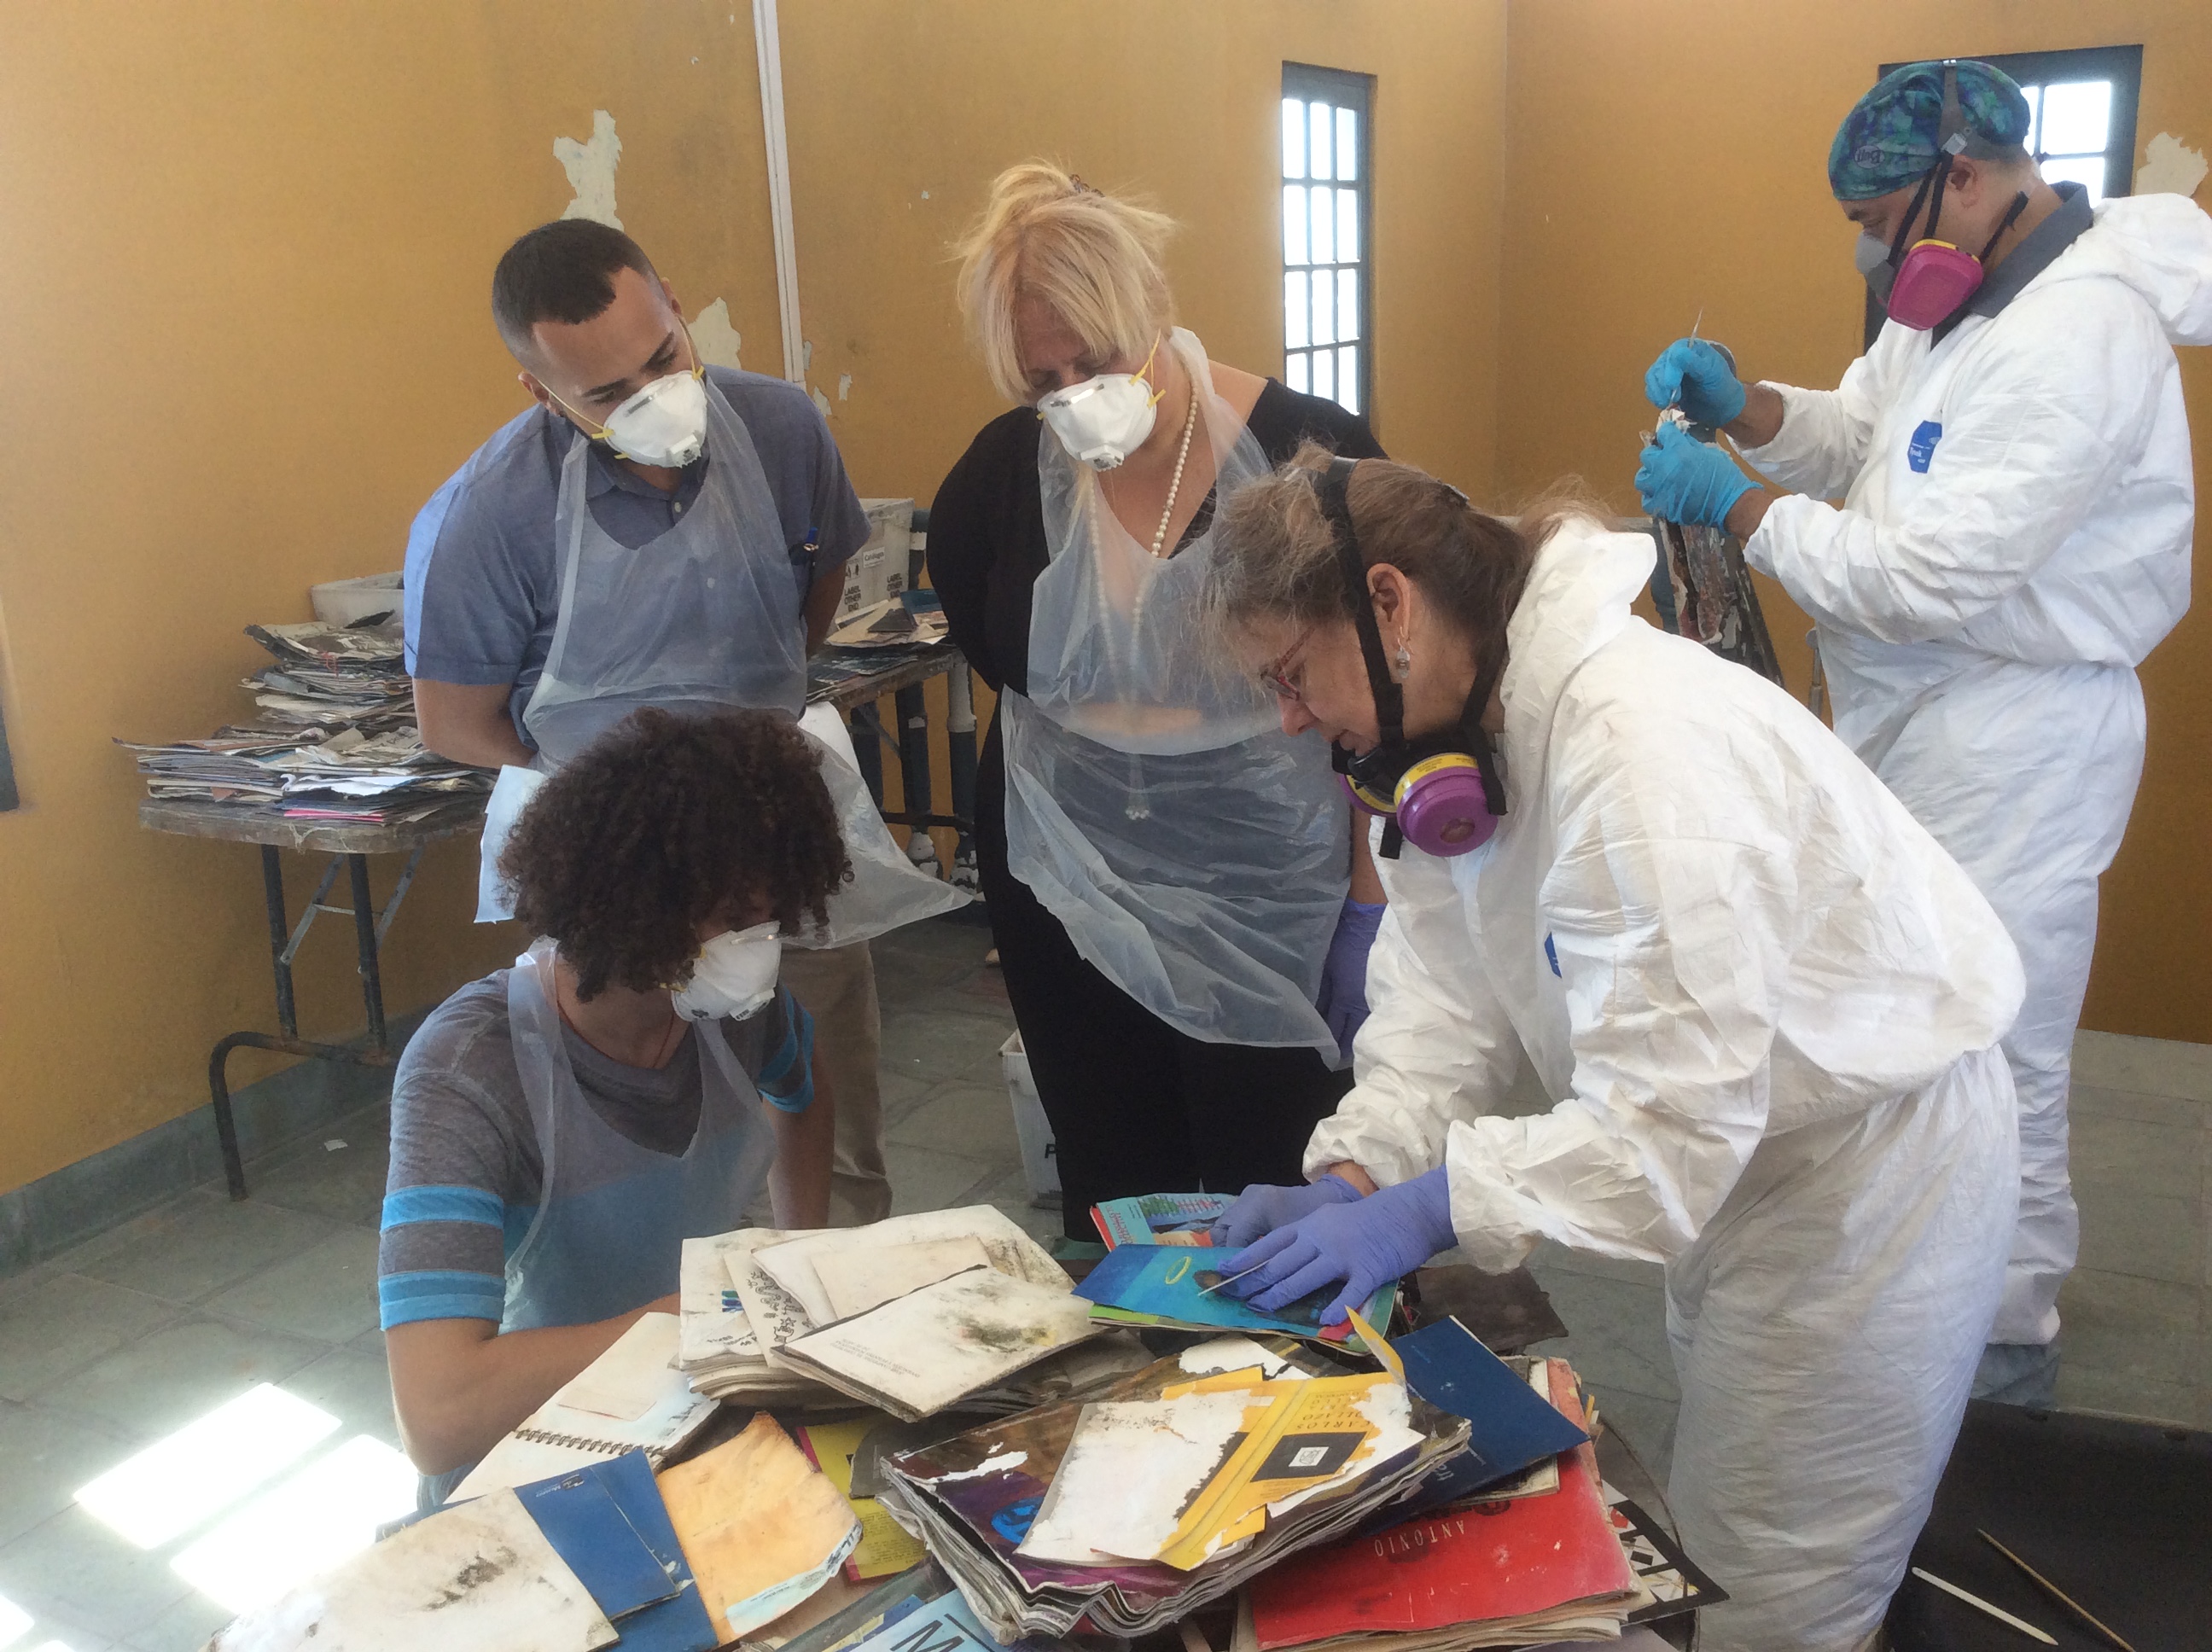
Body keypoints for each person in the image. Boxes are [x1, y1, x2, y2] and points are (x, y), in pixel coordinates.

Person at [1201, 451, 2025, 1652]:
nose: (1288, 717)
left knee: (1773, 1593)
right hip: (1754, 1168)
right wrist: (1362, 1168)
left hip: (1865, 1184)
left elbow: (1664, 1141)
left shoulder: (1639, 751)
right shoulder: (1461, 743)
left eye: (1290, 675)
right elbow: (1446, 998)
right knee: (1732, 1506)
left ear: (1390, 606)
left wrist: (1437, 1205)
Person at [1633, 57, 2209, 1403]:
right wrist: (1753, 414)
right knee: (1913, 1004)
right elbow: (1862, 441)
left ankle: (2001, 1317)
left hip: (2023, 733)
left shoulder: (2083, 335)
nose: (1880, 256)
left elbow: (1933, 576)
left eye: (1889, 222)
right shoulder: (1957, 301)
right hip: (1925, 715)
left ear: (1968, 175)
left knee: (1998, 1028)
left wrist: (1735, 507)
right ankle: (1922, 1277)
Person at [405, 218, 957, 1227]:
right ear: (540, 391)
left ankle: (849, 1313)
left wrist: (739, 760)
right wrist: (622, 796)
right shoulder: (489, 514)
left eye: (664, 356)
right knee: (663, 1140)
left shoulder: (784, 430)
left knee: (826, 1114)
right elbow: (451, 718)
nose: (652, 397)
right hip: (622, 870)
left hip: (777, 834)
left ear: (674, 301)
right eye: (606, 394)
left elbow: (817, 590)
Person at [928, 162, 1388, 1241]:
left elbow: (1380, 694)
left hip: (1266, 889)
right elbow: (996, 647)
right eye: (1040, 382)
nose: (1070, 397)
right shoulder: (1003, 478)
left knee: (1271, 1175)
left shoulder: (1310, 457)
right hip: (1067, 881)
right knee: (1115, 1177)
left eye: (1090, 362)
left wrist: (1369, 903)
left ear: (1150, 310)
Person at [380, 708, 848, 1505]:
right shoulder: (469, 1071)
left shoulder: (738, 1012)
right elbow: (438, 1413)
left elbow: (803, 1097)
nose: (760, 943)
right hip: (529, 1451)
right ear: (637, 906)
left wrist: (795, 1253)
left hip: (687, 1406)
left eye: (768, 917)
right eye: (734, 919)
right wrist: (708, 1313)